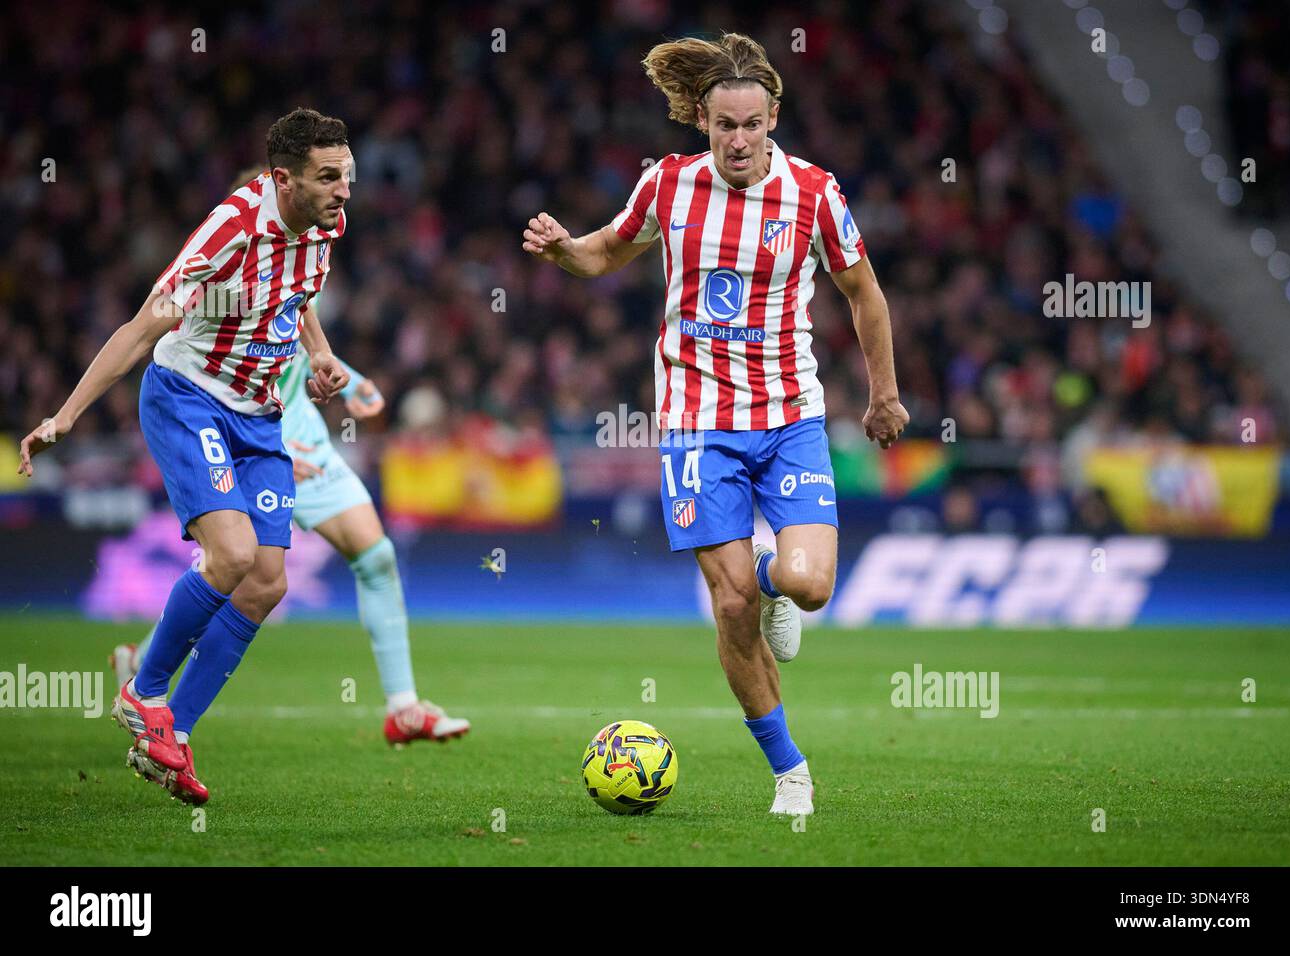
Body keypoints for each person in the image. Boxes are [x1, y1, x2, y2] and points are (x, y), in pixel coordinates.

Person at [522, 34, 908, 815]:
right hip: (695, 424)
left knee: (808, 585)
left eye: (752, 125)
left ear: (773, 119)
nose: (738, 139)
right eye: (725, 125)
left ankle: (774, 587)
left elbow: (864, 293)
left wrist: (884, 395)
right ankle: (790, 772)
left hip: (790, 414)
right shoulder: (667, 185)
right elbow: (604, 253)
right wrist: (563, 251)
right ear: (702, 119)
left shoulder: (813, 194)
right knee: (729, 605)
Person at [18, 108, 356, 803]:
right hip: (188, 395)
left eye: (346, 176)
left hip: (260, 413)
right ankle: (142, 691)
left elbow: (299, 293)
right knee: (230, 557)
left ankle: (171, 732)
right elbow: (143, 330)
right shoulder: (228, 231)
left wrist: (318, 355)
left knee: (266, 583)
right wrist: (65, 415)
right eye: (329, 178)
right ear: (282, 179)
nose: (344, 190)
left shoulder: (325, 225)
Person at [112, 170, 471, 749]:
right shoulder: (233, 271)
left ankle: (403, 707)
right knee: (241, 570)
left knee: (374, 555)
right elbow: (240, 361)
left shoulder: (308, 252)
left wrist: (347, 376)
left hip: (305, 440)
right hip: (256, 432)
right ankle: (151, 680)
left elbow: (300, 333)